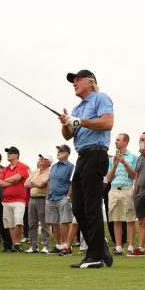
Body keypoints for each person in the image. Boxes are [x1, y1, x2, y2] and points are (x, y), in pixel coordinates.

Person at [60, 69, 113, 268]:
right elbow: (67, 136)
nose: (74, 83)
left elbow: (107, 123)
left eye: (78, 80)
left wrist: (78, 121)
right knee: (78, 208)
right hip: (82, 157)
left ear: (90, 82)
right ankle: (98, 246)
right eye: (73, 81)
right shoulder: (77, 107)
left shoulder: (101, 98)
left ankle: (95, 257)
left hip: (97, 154)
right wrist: (67, 123)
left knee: (91, 206)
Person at [106, 133, 137, 256]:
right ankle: (119, 247)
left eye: (118, 140)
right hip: (114, 190)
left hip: (127, 189)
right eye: (116, 140)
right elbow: (109, 178)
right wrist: (114, 165)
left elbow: (134, 175)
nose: (116, 142)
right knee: (116, 219)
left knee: (130, 219)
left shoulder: (133, 157)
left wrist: (124, 163)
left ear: (125, 142)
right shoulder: (111, 159)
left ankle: (130, 246)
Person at [0, 146, 29, 252]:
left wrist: (5, 181)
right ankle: (15, 244)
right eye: (8, 153)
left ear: (16, 155)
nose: (8, 155)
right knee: (10, 224)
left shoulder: (22, 166)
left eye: (10, 153)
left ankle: (17, 242)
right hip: (6, 201)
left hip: (19, 200)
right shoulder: (5, 169)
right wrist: (10, 181)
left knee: (19, 221)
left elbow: (17, 178)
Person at [45, 145, 74, 253]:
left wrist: (68, 197)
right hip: (51, 198)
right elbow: (49, 181)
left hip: (63, 197)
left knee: (65, 222)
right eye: (58, 150)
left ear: (67, 154)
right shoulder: (53, 166)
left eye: (61, 151)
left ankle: (67, 246)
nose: (58, 152)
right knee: (54, 223)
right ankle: (58, 245)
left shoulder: (71, 166)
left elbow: (72, 183)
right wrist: (48, 195)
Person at [24, 154, 51, 253]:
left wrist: (33, 181)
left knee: (44, 224)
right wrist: (36, 181)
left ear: (49, 162)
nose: (41, 160)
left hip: (43, 199)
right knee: (32, 224)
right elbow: (26, 184)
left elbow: (41, 184)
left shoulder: (50, 171)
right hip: (32, 199)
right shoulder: (35, 171)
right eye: (40, 159)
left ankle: (46, 246)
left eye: (44, 159)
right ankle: (33, 246)